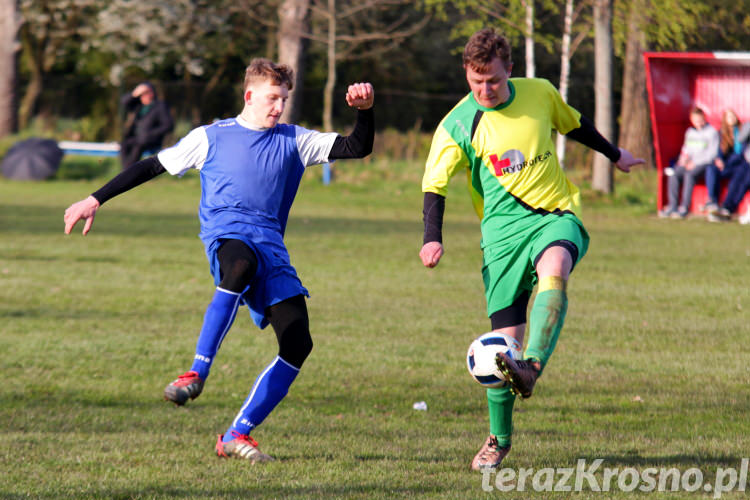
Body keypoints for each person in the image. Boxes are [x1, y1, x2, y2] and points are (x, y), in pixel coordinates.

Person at [64, 58, 375, 462]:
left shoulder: (295, 139)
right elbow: (152, 165)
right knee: (239, 265)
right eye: (271, 98)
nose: (278, 107)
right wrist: (95, 198)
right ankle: (196, 371)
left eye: (284, 99)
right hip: (227, 235)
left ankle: (236, 434)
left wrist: (365, 112)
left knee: (299, 341)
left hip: (273, 250)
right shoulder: (211, 136)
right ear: (249, 96)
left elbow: (358, 146)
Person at [418, 28, 644, 471]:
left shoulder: (539, 93)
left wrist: (615, 154)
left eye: (495, 82)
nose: (485, 90)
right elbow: (435, 184)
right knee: (501, 347)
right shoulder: (458, 124)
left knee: (555, 264)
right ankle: (498, 439)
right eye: (476, 81)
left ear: (510, 72)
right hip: (500, 241)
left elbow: (574, 122)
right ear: (466, 72)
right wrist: (432, 236)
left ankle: (533, 367)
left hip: (554, 214)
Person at [659, 107, 718, 219]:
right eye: (696, 120)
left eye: (700, 120)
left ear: (704, 118)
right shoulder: (690, 132)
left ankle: (685, 208)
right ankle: (673, 206)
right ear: (692, 120)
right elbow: (686, 149)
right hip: (689, 163)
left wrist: (695, 163)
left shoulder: (712, 132)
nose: (698, 123)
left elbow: (712, 154)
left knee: (689, 175)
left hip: (703, 164)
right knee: (674, 174)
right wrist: (683, 159)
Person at [705, 109, 750, 222]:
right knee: (738, 176)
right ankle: (724, 208)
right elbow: (741, 139)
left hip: (742, 163)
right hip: (746, 162)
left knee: (743, 176)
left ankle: (728, 209)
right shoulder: (745, 127)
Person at [120, 82, 174, 169]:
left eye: (144, 94)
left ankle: (128, 172)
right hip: (136, 138)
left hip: (151, 140)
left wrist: (150, 134)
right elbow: (124, 102)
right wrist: (135, 93)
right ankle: (126, 171)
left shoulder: (160, 106)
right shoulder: (138, 105)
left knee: (138, 146)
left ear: (151, 93)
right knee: (124, 144)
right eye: (141, 95)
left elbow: (168, 125)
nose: (142, 97)